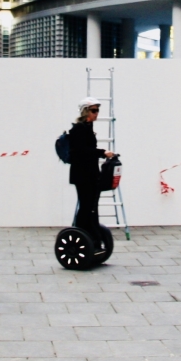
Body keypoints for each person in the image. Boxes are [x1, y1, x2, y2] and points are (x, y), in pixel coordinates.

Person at [69, 96, 116, 247]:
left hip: (90, 174)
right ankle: (82, 235)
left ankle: (89, 235)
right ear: (85, 111)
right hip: (82, 175)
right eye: (94, 110)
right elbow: (81, 151)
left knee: (91, 207)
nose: (97, 113)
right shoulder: (78, 129)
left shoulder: (88, 128)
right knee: (86, 206)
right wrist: (102, 152)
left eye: (97, 110)